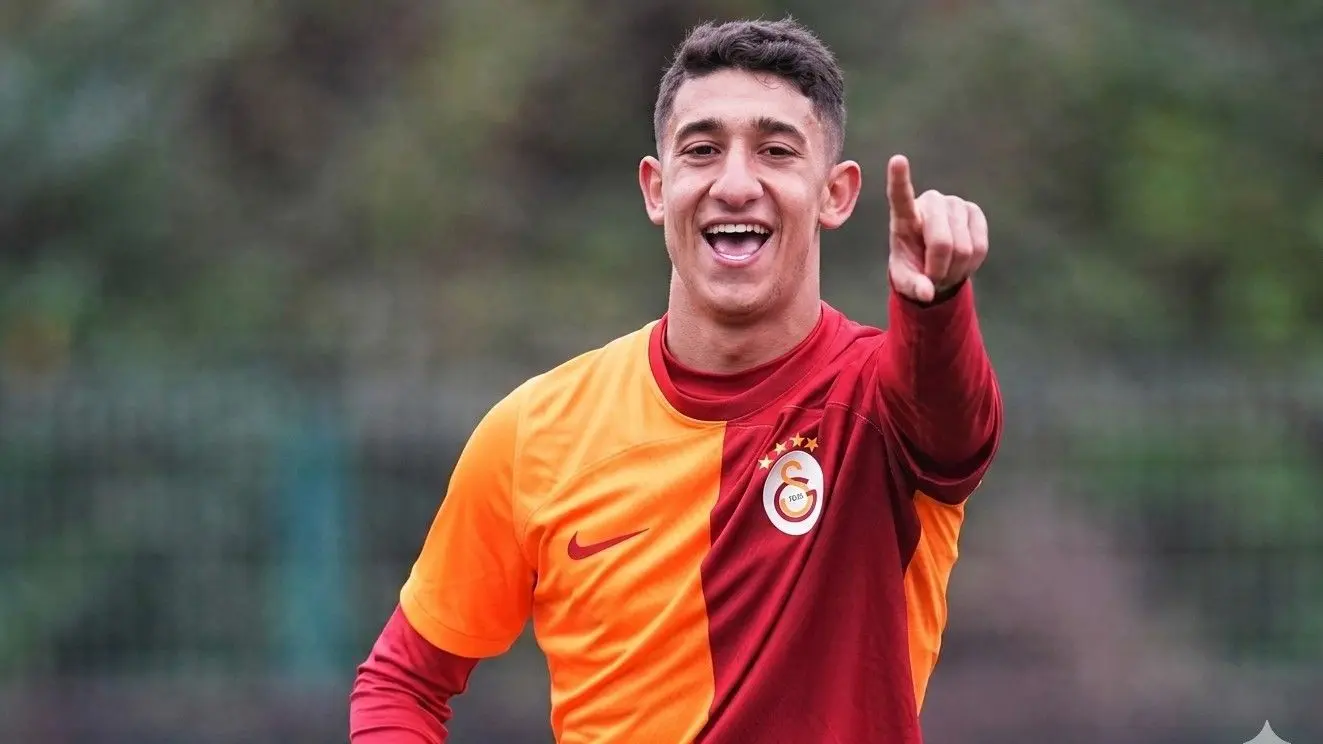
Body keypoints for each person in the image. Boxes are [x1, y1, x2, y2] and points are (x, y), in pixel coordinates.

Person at [349, 16, 1002, 744]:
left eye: (776, 151)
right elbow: (402, 684)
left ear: (836, 194)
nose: (735, 184)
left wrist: (937, 302)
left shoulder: (880, 404)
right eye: (702, 150)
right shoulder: (534, 431)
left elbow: (952, 422)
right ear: (656, 189)